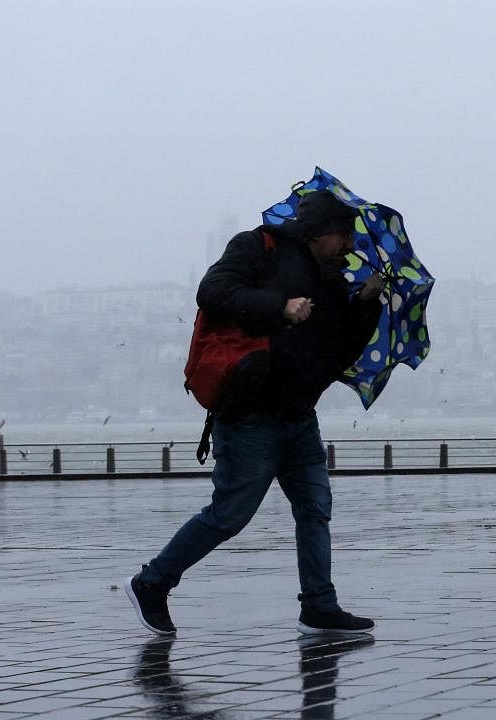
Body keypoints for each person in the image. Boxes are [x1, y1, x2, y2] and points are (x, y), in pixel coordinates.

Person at [125, 190, 384, 636]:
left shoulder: (333, 281)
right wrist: (279, 307)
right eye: (344, 235)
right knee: (230, 514)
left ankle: (319, 606)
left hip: (299, 415)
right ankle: (153, 582)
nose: (349, 245)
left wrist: (364, 305)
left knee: (315, 508)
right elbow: (213, 292)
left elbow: (340, 353)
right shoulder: (256, 247)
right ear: (321, 231)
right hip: (250, 413)